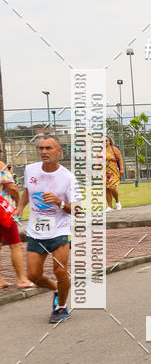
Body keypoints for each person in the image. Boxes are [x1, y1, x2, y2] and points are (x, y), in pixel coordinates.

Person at [15, 136, 81, 323]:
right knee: (33, 275)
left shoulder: (67, 177)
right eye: (41, 148)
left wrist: (59, 202)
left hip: (60, 230)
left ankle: (60, 307)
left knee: (60, 271)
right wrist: (21, 207)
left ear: (58, 151)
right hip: (37, 230)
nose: (44, 152)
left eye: (48, 148)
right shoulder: (30, 169)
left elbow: (77, 209)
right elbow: (27, 191)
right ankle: (56, 289)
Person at [0, 160, 33, 289]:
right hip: (3, 208)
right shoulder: (1, 165)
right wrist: (18, 202)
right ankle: (22, 279)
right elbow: (11, 187)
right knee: (16, 244)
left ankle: (1, 280)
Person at [105, 136, 124, 211]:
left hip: (113, 171)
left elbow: (120, 159)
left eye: (106, 140)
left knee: (112, 187)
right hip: (104, 172)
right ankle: (109, 206)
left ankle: (117, 201)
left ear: (109, 141)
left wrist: (121, 169)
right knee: (106, 189)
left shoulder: (114, 149)